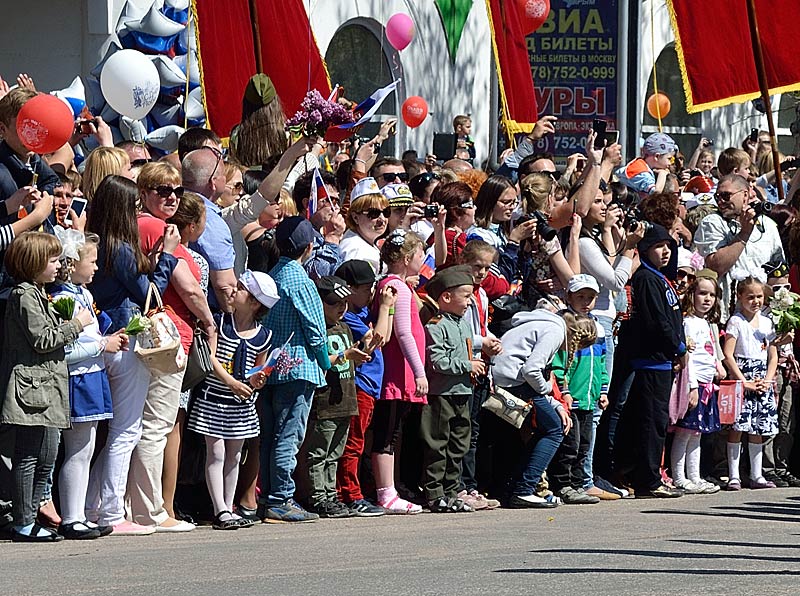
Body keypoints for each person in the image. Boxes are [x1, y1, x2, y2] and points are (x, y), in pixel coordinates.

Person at [85, 175, 179, 535]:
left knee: (110, 432)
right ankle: (111, 513)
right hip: (125, 342)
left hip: (103, 339)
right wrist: (167, 256)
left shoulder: (96, 243)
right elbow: (149, 293)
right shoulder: (120, 247)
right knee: (127, 430)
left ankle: (94, 506)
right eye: (134, 205)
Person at [1, 232, 94, 542]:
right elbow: (42, 339)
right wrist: (76, 324)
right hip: (32, 389)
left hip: (47, 386)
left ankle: (35, 511)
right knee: (28, 455)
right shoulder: (24, 295)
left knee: (48, 453)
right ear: (34, 262)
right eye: (53, 260)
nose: (58, 265)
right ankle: (23, 521)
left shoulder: (39, 293)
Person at [188, 270, 277, 529]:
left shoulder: (264, 336)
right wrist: (232, 382)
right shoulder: (219, 324)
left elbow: (258, 371)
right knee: (215, 452)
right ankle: (220, 509)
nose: (232, 291)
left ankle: (230, 505)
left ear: (254, 303)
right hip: (214, 398)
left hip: (240, 404)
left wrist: (257, 381)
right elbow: (210, 359)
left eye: (240, 289)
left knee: (235, 456)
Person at [52, 231, 128, 540]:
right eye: (92, 261)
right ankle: (71, 516)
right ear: (72, 264)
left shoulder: (82, 294)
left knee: (86, 447)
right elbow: (65, 350)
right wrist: (102, 344)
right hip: (78, 378)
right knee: (78, 448)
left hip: (91, 375)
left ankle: (79, 513)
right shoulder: (63, 299)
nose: (96, 268)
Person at [258, 216, 329, 523]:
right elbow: (316, 330)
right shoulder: (301, 280)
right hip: (298, 367)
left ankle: (268, 495)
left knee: (271, 434)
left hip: (270, 365)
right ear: (309, 246)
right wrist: (327, 362)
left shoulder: (274, 274)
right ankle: (280, 498)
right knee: (289, 434)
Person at [613, 224, 687, 498]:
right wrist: (678, 347)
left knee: (657, 421)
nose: (665, 251)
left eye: (668, 245)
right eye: (658, 246)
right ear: (645, 250)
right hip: (650, 363)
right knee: (649, 423)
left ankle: (647, 474)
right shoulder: (646, 278)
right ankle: (648, 480)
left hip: (664, 362)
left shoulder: (661, 278)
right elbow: (657, 322)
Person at [491, 303, 573, 509]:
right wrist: (546, 390)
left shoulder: (531, 323)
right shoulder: (555, 331)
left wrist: (554, 403)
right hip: (516, 382)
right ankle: (524, 490)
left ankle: (513, 488)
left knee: (538, 432)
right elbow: (531, 370)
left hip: (501, 379)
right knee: (555, 430)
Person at [371, 229, 427, 514]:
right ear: (406, 258)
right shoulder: (398, 288)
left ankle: (389, 489)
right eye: (419, 254)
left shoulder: (395, 284)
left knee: (391, 432)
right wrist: (419, 372)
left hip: (397, 370)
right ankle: (385, 492)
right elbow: (403, 333)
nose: (423, 258)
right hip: (396, 371)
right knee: (387, 432)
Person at [420, 266, 486, 512]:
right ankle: (435, 492)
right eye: (466, 296)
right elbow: (437, 361)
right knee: (438, 443)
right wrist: (467, 365)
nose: (470, 302)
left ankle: (452, 490)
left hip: (463, 392)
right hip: (442, 394)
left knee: (459, 444)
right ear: (446, 297)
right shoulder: (436, 325)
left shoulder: (463, 324)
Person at [304, 276, 370, 518]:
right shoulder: (319, 328)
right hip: (326, 401)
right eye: (334, 304)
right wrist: (345, 356)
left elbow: (352, 357)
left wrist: (365, 348)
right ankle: (317, 497)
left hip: (346, 399)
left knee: (335, 453)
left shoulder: (344, 327)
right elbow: (322, 362)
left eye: (344, 302)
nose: (341, 308)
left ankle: (331, 495)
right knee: (319, 452)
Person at [335, 259, 395, 516]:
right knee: (353, 442)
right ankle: (349, 494)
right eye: (366, 287)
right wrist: (383, 307)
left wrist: (388, 310)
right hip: (358, 385)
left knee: (358, 441)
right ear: (349, 288)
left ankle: (352, 490)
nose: (371, 292)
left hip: (370, 386)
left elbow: (387, 334)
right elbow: (376, 340)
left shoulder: (362, 312)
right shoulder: (348, 314)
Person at [551, 274, 616, 502]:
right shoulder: (564, 324)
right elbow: (560, 365)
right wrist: (564, 390)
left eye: (590, 297)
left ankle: (579, 483)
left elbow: (601, 363)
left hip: (589, 398)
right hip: (572, 398)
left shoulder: (597, 328)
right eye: (580, 296)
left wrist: (603, 390)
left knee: (585, 445)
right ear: (569, 296)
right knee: (570, 444)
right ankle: (563, 484)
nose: (586, 302)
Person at [694, 174, 785, 320]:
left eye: (726, 195)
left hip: (763, 317)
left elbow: (779, 269)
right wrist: (744, 234)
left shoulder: (767, 225)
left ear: (745, 195)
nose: (721, 201)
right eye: (717, 197)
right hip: (728, 315)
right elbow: (715, 266)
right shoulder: (712, 223)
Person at [670, 271, 725, 495]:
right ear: (692, 295)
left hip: (706, 383)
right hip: (693, 385)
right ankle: (679, 477)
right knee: (684, 432)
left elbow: (707, 353)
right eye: (702, 293)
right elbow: (688, 360)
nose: (707, 299)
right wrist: (691, 386)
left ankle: (694, 475)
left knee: (697, 433)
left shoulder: (705, 323)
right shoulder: (689, 323)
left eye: (711, 295)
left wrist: (716, 368)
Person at [722, 277, 779, 490]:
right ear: (740, 297)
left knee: (758, 426)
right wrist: (743, 381)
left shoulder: (767, 322)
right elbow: (728, 354)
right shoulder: (736, 321)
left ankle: (757, 475)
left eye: (759, 297)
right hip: (743, 375)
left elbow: (772, 355)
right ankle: (734, 475)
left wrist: (768, 379)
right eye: (750, 297)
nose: (755, 301)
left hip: (762, 376)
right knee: (738, 425)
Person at [0, 88, 60, 201]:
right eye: (23, 128)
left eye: (35, 126)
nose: (31, 136)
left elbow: (52, 181)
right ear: (2, 129)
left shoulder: (36, 162)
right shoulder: (3, 175)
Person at [339, 177, 389, 273]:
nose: (382, 219)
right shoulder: (355, 252)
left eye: (386, 212)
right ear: (355, 217)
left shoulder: (364, 240)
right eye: (374, 213)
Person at [615, 132, 677, 198]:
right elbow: (655, 193)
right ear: (656, 156)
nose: (670, 163)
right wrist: (662, 174)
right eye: (669, 159)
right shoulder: (642, 172)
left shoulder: (640, 163)